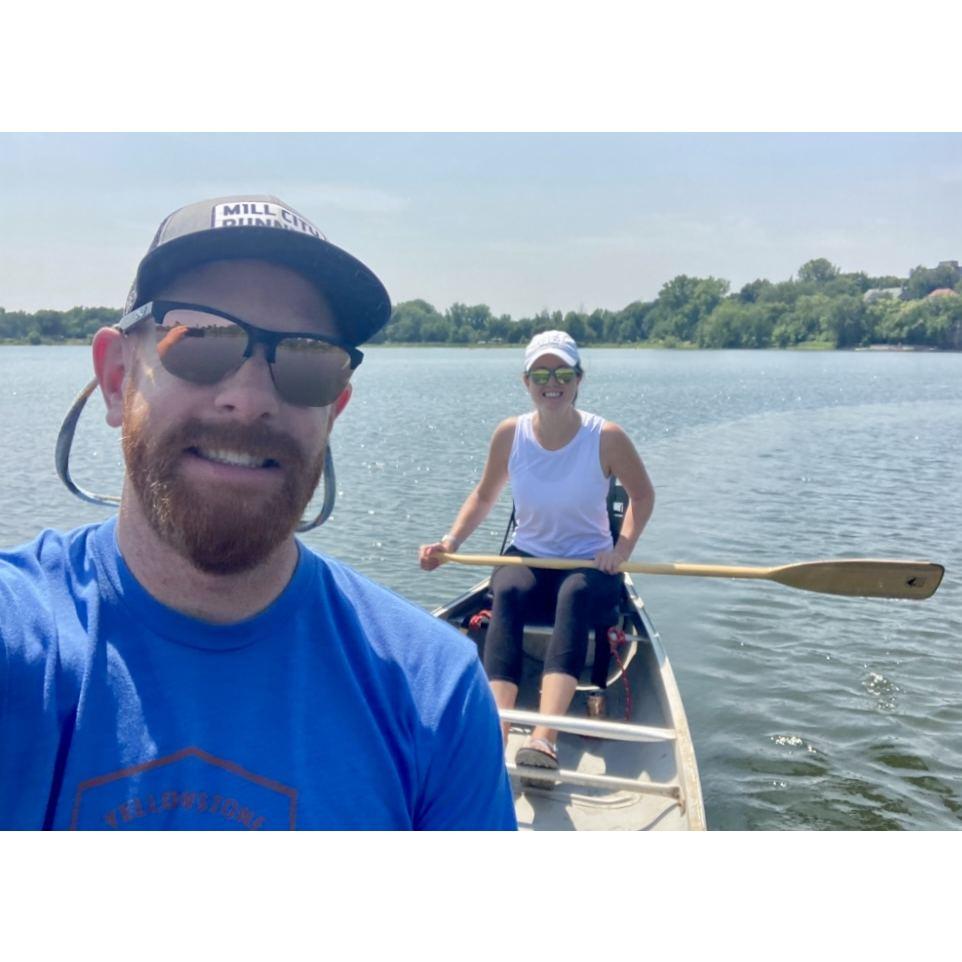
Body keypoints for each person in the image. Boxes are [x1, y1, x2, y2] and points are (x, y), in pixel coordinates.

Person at [0, 194, 516, 831]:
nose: (247, 401)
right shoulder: (21, 640)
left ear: (335, 410)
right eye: (200, 340)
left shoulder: (435, 694)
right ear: (116, 378)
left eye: (307, 358)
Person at [419, 330, 654, 780]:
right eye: (541, 373)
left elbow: (642, 496)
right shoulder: (511, 434)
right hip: (528, 556)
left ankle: (544, 737)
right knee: (504, 587)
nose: (553, 381)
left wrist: (620, 550)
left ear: (579, 379)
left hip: (588, 563)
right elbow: (485, 496)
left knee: (575, 598)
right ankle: (498, 730)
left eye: (563, 372)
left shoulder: (606, 437)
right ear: (525, 381)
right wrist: (450, 543)